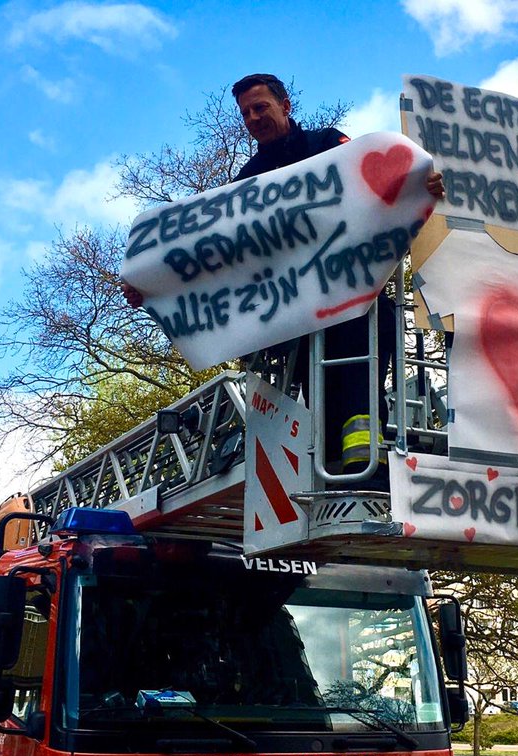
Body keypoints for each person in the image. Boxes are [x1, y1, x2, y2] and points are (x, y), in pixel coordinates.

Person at [124, 73, 444, 478]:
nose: (254, 118)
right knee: (322, 395)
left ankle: (371, 466)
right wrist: (148, 285)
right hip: (300, 321)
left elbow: (380, 186)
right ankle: (336, 466)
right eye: (246, 113)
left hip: (358, 303)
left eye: (261, 107)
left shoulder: (327, 147)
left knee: (359, 386)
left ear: (285, 105)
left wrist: (423, 184)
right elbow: (214, 254)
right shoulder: (246, 183)